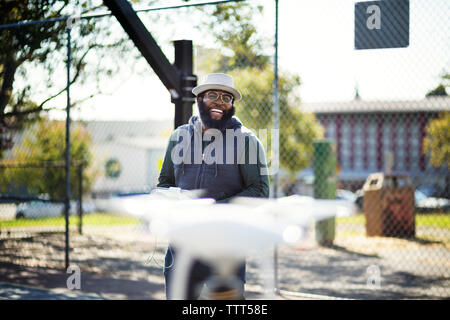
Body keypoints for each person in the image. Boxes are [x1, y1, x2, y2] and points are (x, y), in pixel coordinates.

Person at [157, 73, 270, 299]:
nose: (220, 101)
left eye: (226, 97)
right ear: (199, 99)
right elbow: (165, 183)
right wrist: (168, 200)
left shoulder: (247, 141)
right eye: (212, 95)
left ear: (232, 105)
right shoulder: (179, 137)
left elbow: (260, 191)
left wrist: (213, 210)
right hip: (182, 245)